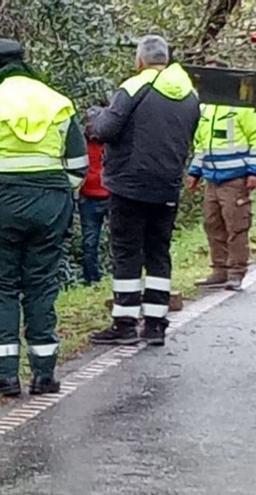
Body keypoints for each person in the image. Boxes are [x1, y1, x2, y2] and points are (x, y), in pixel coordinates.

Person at [0, 39, 88, 397]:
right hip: (51, 202)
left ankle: (6, 375)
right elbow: (78, 167)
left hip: (1, 207)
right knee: (42, 287)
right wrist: (56, 195)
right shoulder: (58, 102)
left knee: (1, 286)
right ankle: (45, 375)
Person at [87, 35, 200, 347]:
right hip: (167, 184)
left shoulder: (135, 87)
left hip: (129, 183)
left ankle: (124, 323)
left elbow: (105, 129)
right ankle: (155, 325)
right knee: (158, 252)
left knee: (127, 252)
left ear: (140, 61)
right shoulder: (190, 93)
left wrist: (95, 116)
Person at [186, 64, 256, 291]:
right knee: (212, 223)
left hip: (236, 178)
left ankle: (236, 271)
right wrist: (194, 173)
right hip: (212, 178)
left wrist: (253, 171)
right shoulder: (205, 109)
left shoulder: (242, 108)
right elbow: (201, 145)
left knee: (236, 225)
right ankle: (219, 270)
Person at [80, 116, 111, 285]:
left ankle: (119, 275)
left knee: (120, 239)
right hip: (89, 197)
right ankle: (92, 279)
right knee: (89, 242)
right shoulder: (82, 145)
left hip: (110, 195)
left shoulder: (111, 141)